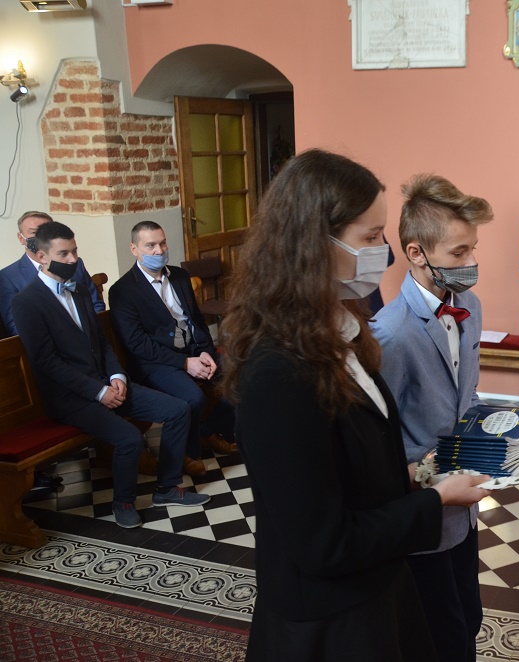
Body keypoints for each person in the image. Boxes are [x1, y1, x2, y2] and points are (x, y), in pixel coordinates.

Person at [219, 149, 489, 661]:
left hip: (374, 583)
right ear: (314, 244)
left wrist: (418, 476)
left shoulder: (344, 333)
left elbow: (357, 465)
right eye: (370, 238)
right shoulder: (277, 373)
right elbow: (322, 542)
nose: (383, 252)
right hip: (328, 618)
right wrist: (433, 500)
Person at [11, 221, 209, 529]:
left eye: (75, 251)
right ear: (40, 256)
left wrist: (117, 375)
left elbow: (101, 343)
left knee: (178, 409)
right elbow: (47, 363)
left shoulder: (78, 289)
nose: (73, 259)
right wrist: (98, 391)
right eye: (63, 254)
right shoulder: (26, 302)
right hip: (72, 398)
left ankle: (167, 488)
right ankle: (123, 502)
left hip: (108, 383)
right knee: (130, 438)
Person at [371, 173, 493, 662]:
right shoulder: (390, 334)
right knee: (437, 635)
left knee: (469, 616)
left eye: (473, 249)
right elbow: (377, 441)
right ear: (417, 253)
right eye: (459, 253)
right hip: (420, 510)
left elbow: (466, 395)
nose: (471, 263)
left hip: (462, 505)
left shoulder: (471, 306)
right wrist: (425, 479)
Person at [108, 221, 238, 480]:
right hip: (155, 362)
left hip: (193, 351)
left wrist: (205, 352)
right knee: (193, 397)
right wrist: (185, 363)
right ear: (134, 249)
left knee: (241, 375)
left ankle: (207, 431)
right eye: (150, 246)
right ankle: (189, 454)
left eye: (163, 243)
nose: (159, 251)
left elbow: (196, 321)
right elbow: (137, 345)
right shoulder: (122, 290)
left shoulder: (179, 276)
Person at [1, 210, 104, 337]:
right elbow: (15, 327)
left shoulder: (74, 264)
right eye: (34, 233)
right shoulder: (7, 277)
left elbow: (96, 304)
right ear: (21, 238)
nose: (40, 238)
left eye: (46, 232)